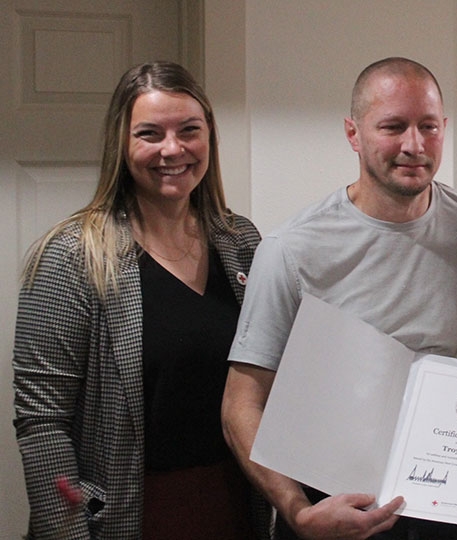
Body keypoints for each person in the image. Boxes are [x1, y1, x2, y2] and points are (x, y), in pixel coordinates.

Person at [221, 57, 457, 540]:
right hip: (333, 508)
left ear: (445, 129)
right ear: (353, 134)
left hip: (452, 505)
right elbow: (241, 405)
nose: (413, 145)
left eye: (428, 127)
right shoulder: (291, 250)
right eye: (393, 127)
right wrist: (296, 511)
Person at [12, 61, 268, 539]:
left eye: (189, 130)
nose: (173, 149)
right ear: (122, 145)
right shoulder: (73, 256)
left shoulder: (241, 242)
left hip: (234, 505)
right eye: (150, 134)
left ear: (208, 136)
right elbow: (42, 425)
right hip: (126, 516)